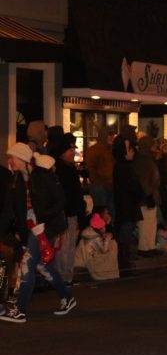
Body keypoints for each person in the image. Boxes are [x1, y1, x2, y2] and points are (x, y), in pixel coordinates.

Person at [0, 144, 75, 323]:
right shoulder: (15, 181)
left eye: (13, 158)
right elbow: (8, 212)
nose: (10, 161)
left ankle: (20, 309)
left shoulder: (42, 175)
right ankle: (67, 297)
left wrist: (43, 218)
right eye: (9, 158)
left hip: (48, 226)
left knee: (28, 263)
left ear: (24, 159)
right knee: (41, 266)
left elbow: (61, 200)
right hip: (31, 229)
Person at [53, 134, 85, 285]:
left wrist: (80, 212)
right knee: (63, 248)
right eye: (70, 149)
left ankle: (68, 276)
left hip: (73, 214)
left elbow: (76, 194)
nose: (73, 152)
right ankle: (62, 277)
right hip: (63, 215)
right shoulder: (58, 170)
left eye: (73, 149)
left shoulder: (71, 169)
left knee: (70, 246)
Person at [112, 137, 143, 271]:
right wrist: (140, 193)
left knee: (127, 233)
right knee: (125, 234)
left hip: (127, 206)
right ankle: (123, 263)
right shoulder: (123, 168)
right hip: (127, 207)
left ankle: (125, 261)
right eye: (130, 150)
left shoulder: (124, 166)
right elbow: (131, 187)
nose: (133, 153)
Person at [132, 135, 161, 255]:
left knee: (150, 222)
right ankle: (145, 247)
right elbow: (144, 180)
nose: (156, 148)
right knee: (146, 223)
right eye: (153, 146)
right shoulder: (144, 160)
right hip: (146, 197)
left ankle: (150, 246)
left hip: (149, 195)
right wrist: (148, 196)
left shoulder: (145, 159)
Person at [74, 211, 119, 280]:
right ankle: (108, 274)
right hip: (86, 263)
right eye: (102, 227)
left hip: (79, 262)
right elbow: (104, 250)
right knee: (113, 245)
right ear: (98, 229)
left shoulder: (89, 232)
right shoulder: (94, 238)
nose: (104, 228)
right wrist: (107, 239)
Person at [84, 126, 116, 219]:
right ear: (103, 136)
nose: (112, 137)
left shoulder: (111, 150)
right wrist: (100, 183)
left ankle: (109, 232)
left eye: (113, 135)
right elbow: (90, 169)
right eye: (109, 135)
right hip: (100, 189)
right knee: (101, 216)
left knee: (110, 215)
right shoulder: (94, 150)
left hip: (110, 188)